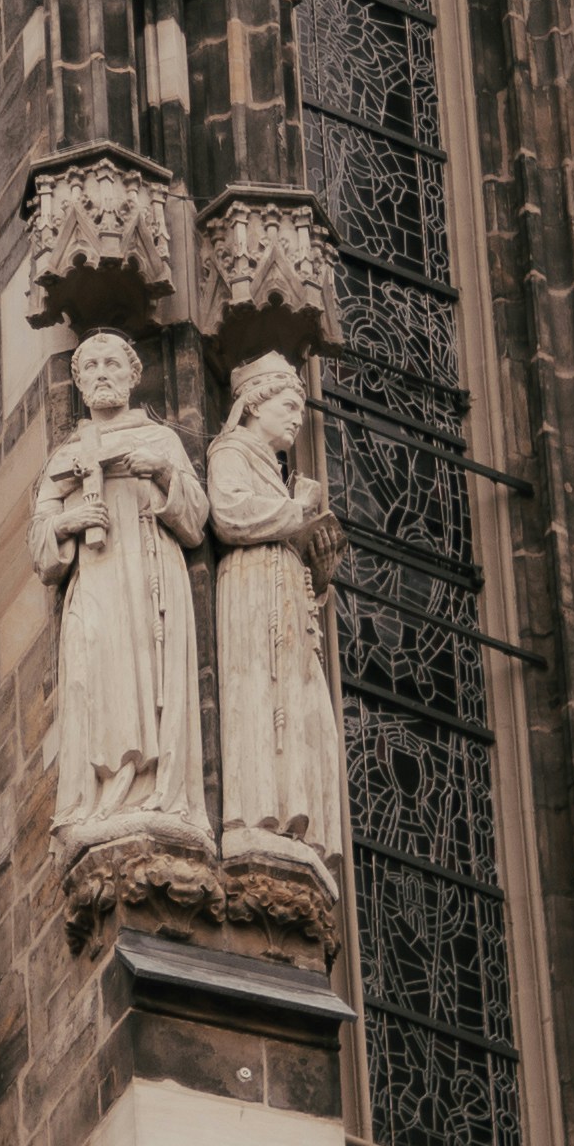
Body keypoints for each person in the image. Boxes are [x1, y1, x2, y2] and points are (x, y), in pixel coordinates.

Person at [29, 326, 212, 857]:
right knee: (90, 675)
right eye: (91, 366)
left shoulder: (161, 440)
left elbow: (196, 521)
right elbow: (40, 543)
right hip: (97, 580)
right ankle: (95, 800)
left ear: (134, 377)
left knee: (149, 675)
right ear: (78, 383)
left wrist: (163, 474)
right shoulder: (66, 455)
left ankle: (154, 791)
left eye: (112, 364)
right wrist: (68, 523)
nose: (102, 374)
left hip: (151, 579)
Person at [208, 352, 346, 874]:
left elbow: (278, 531)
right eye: (288, 406)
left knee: (300, 704)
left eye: (301, 411)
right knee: (258, 692)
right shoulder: (230, 451)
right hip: (250, 590)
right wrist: (297, 511)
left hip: (284, 594)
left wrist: (320, 568)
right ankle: (257, 812)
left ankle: (293, 817)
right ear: (253, 404)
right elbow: (229, 513)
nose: (297, 420)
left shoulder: (274, 469)